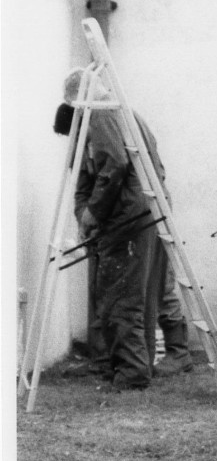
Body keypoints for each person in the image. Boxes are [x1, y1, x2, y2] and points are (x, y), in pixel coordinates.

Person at [60, 69, 193, 389]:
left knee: (122, 296)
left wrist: (93, 213)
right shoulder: (125, 115)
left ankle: (131, 372)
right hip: (143, 215)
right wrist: (86, 215)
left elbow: (113, 165)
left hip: (129, 220)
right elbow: (100, 173)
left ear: (80, 102)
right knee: (138, 295)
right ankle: (129, 365)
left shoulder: (101, 114)